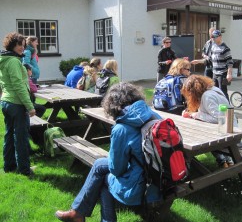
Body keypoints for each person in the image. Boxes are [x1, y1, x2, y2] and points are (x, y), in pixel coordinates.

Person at [55, 82, 162, 222]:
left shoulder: (121, 128)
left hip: (144, 186)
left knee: (103, 179)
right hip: (162, 178)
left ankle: (79, 214)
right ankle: (77, 213)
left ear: (112, 104)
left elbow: (116, 169)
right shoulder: (154, 115)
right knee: (100, 165)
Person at [181, 74, 236, 168]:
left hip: (226, 130)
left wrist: (193, 115)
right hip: (230, 126)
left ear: (193, 91)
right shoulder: (213, 89)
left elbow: (217, 118)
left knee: (201, 138)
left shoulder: (207, 96)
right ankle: (227, 161)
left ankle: (224, 162)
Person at [0, 32, 36, 176]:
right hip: (16, 103)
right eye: (19, 44)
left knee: (9, 135)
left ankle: (9, 166)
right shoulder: (14, 61)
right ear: (12, 44)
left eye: (23, 45)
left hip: (6, 102)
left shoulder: (5, 59)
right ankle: (24, 170)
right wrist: (30, 106)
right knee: (20, 137)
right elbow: (19, 85)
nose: (22, 47)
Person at [210, 30, 233, 100]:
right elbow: (210, 59)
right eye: (212, 37)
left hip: (222, 74)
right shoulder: (213, 47)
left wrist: (229, 74)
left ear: (220, 37)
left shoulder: (225, 48)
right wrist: (198, 61)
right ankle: (218, 107)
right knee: (214, 91)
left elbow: (230, 62)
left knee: (223, 92)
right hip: (214, 73)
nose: (213, 39)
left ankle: (227, 108)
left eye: (214, 37)